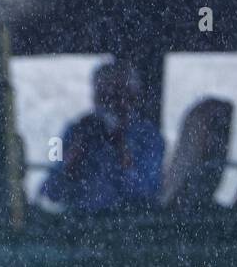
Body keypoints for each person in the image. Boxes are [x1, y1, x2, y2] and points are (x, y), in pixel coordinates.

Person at [41, 59, 165, 211]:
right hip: (77, 225)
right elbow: (48, 192)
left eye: (119, 95)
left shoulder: (149, 137)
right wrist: (73, 158)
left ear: (134, 98)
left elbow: (147, 193)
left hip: (131, 226)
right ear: (94, 97)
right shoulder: (73, 131)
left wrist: (121, 148)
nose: (112, 104)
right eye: (104, 96)